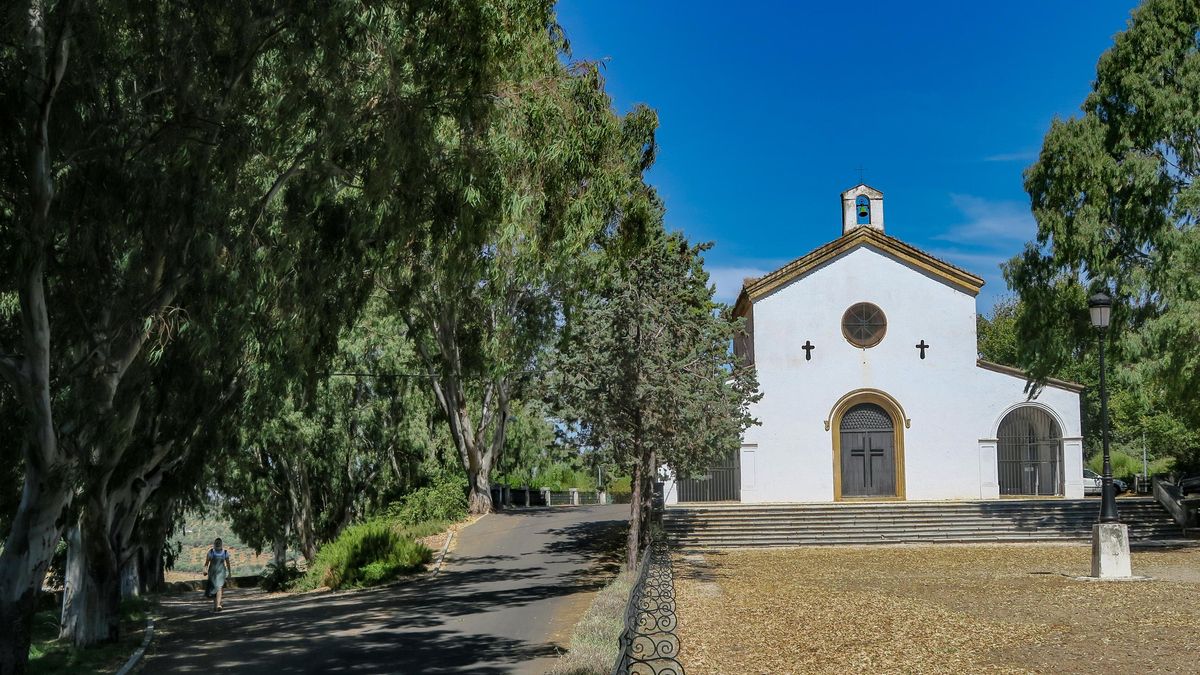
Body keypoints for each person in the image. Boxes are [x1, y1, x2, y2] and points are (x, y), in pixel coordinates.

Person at [203, 538, 232, 611]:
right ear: (214, 543)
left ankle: (218, 605)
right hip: (212, 573)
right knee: (214, 589)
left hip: (221, 573)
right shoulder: (211, 552)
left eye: (219, 543)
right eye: (216, 543)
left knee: (219, 587)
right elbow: (206, 563)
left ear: (221, 544)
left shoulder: (225, 552)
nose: (218, 544)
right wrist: (205, 570)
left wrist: (229, 573)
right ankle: (215, 605)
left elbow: (228, 564)